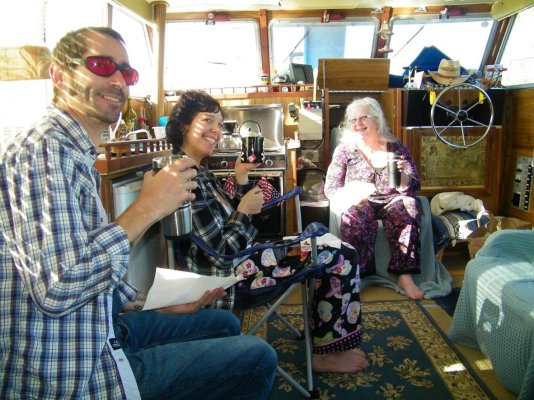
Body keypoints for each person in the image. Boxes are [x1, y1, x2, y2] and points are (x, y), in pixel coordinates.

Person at [0, 26, 277, 400]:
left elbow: (89, 271)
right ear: (59, 75)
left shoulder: (75, 156)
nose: (118, 80)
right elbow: (58, 287)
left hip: (104, 327)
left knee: (224, 322)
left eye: (127, 73)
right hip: (77, 372)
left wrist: (151, 301)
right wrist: (147, 207)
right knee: (257, 355)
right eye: (101, 65)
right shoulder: (44, 150)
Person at [166, 90, 369, 373]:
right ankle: (325, 354)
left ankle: (328, 339)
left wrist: (241, 177)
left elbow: (226, 226)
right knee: (341, 254)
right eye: (207, 121)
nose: (216, 130)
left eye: (219, 123)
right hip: (229, 281)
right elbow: (222, 255)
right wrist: (244, 212)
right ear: (184, 125)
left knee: (325, 241)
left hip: (242, 264)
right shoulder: (183, 178)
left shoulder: (199, 171)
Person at [324, 97, 424, 300]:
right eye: (352, 120)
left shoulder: (396, 149)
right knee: (354, 217)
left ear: (377, 119)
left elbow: (414, 187)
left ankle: (404, 276)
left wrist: (404, 178)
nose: (357, 124)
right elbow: (331, 188)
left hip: (392, 199)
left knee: (407, 207)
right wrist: (349, 197)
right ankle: (357, 275)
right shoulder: (345, 150)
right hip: (360, 200)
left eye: (363, 118)